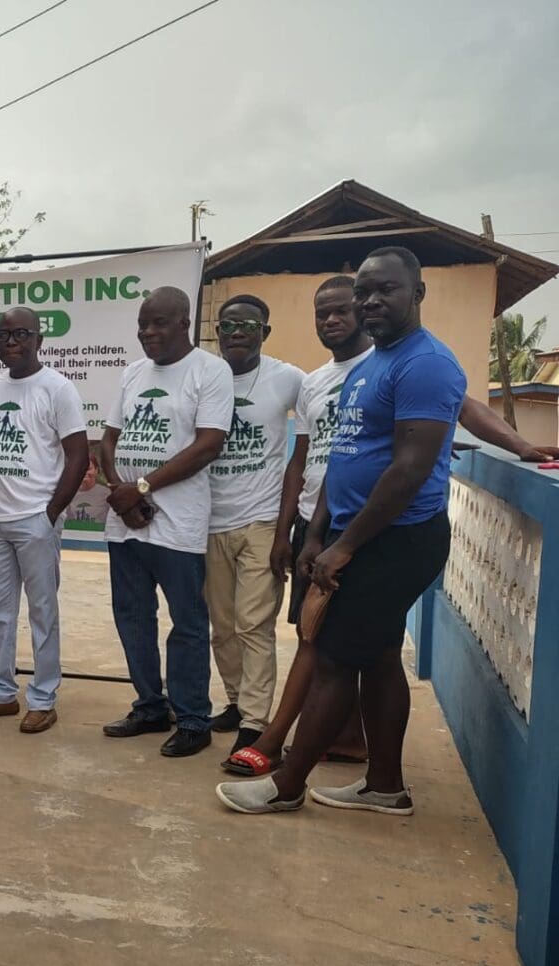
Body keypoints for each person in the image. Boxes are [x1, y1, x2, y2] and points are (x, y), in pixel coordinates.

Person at [222, 274, 558, 777]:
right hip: (323, 520)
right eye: (323, 313)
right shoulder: (319, 382)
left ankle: (279, 756)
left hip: (377, 530)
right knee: (353, 644)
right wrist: (299, 532)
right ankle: (360, 752)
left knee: (325, 644)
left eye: (343, 309)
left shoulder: (408, 363)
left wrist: (521, 447)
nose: (333, 320)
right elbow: (314, 458)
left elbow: (454, 419)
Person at [217, 247, 465, 815]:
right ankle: (384, 786)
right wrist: (316, 535)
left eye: (387, 290)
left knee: (331, 658)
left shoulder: (425, 363)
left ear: (418, 294)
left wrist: (346, 546)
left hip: (398, 538)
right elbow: (342, 458)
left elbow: (410, 468)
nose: (372, 301)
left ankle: (285, 785)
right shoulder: (370, 365)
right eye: (365, 291)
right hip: (349, 533)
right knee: (376, 656)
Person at [98, 286, 233, 757]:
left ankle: (194, 718)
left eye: (158, 323)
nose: (147, 333)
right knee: (133, 618)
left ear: (184, 323)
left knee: (187, 623)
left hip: (178, 526)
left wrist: (142, 488)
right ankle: (150, 706)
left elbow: (208, 444)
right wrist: (121, 492)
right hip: (127, 523)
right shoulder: (134, 373)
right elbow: (109, 439)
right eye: (142, 325)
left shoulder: (210, 372)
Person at [0, 307, 89, 735]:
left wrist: (50, 514)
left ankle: (43, 697)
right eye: (3, 334)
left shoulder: (58, 389)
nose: (10, 342)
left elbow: (78, 456)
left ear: (39, 339)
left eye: (20, 334)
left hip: (34, 518)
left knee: (42, 611)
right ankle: (0, 693)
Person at [203, 295, 305, 754]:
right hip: (208, 520)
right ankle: (234, 700)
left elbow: (322, 426)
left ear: (265, 332)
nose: (237, 331)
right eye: (228, 325)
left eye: (248, 324)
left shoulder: (289, 379)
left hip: (262, 520)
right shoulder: (205, 376)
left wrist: (285, 530)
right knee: (221, 626)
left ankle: (255, 720)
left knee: (253, 624)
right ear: (217, 332)